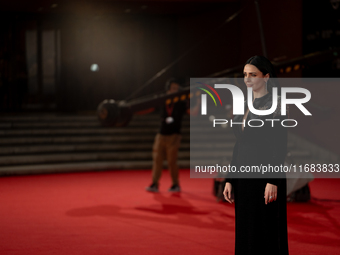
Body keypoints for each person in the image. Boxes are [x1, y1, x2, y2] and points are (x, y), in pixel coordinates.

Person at [223, 56, 289, 255]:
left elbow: (280, 145)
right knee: (246, 230)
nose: (247, 79)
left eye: (253, 74)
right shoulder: (244, 103)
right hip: (244, 178)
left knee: (267, 230)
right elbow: (239, 143)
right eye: (245, 75)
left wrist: (273, 180)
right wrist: (230, 179)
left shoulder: (276, 104)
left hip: (265, 177)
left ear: (266, 77)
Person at [146, 78, 199, 193]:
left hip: (174, 136)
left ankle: (175, 184)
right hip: (161, 134)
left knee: (172, 161)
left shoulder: (181, 102)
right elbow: (150, 108)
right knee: (157, 160)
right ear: (168, 90)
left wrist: (199, 101)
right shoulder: (163, 101)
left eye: (177, 88)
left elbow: (193, 112)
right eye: (173, 88)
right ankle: (155, 183)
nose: (176, 90)